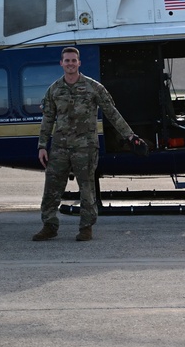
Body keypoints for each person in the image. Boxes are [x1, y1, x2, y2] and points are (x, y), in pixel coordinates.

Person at [33, 46, 142, 242]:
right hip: (59, 147)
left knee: (86, 188)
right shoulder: (54, 90)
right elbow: (47, 119)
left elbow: (112, 113)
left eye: (74, 60)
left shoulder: (94, 87)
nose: (70, 64)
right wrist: (42, 145)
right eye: (67, 61)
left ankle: (86, 228)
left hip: (85, 147)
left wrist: (129, 136)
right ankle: (49, 226)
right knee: (52, 187)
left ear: (79, 63)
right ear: (61, 64)